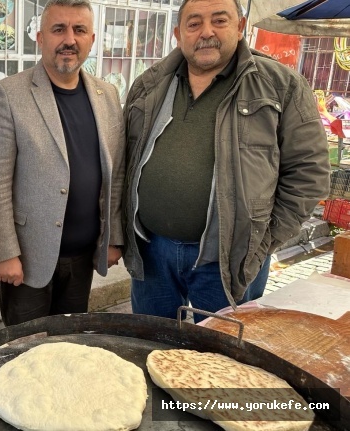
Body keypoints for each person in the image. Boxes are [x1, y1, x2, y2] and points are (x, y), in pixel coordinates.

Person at [122, 0, 330, 322]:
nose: (206, 32)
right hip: (152, 253)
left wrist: (261, 243)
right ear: (178, 33)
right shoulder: (150, 84)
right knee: (153, 345)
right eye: (194, 24)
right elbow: (125, 160)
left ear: (240, 26)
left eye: (219, 21)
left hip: (228, 261)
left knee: (220, 360)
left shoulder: (280, 86)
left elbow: (309, 173)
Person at [0, 0, 125, 327]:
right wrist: (4, 253)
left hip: (82, 258)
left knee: (68, 346)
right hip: (27, 262)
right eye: (58, 29)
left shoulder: (108, 95)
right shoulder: (8, 94)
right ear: (41, 38)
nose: (69, 39)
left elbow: (116, 174)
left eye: (79, 30)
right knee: (23, 351)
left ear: (92, 39)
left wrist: (112, 238)